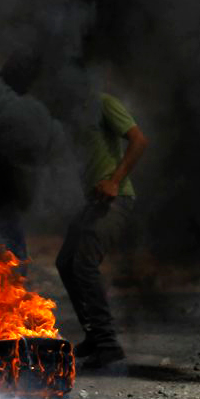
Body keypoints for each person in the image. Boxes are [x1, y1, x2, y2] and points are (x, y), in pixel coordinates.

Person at [55, 93, 148, 369]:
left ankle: (107, 344)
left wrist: (114, 181)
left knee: (84, 264)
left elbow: (140, 141)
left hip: (115, 198)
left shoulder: (102, 101)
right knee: (65, 263)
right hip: (93, 202)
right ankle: (95, 336)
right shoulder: (69, 111)